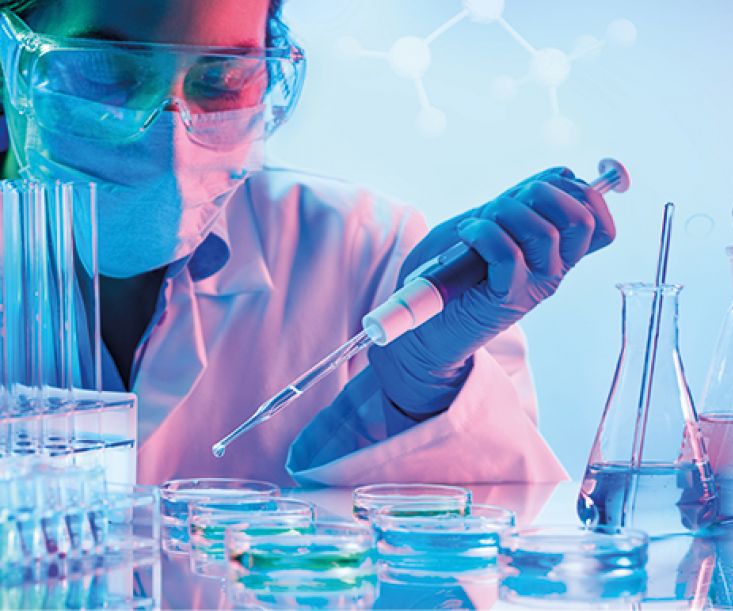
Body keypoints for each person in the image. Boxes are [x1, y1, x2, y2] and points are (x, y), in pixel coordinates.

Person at [0, 0, 615, 487]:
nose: (168, 130)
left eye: (223, 77)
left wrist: (421, 386)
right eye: (102, 69)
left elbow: (476, 556)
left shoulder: (368, 253)